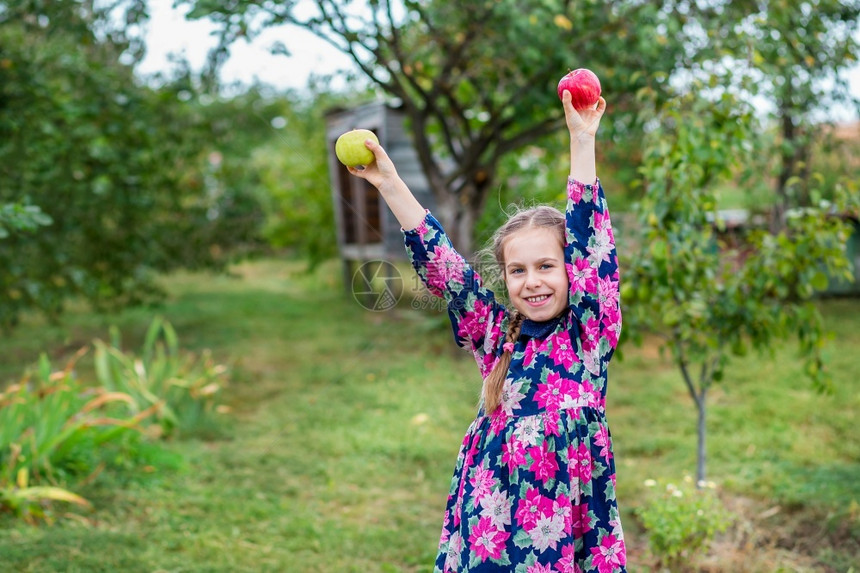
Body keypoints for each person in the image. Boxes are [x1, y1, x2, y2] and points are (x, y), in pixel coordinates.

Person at [346, 90, 625, 572]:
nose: (532, 281)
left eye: (546, 266)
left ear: (570, 271)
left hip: (564, 532)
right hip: (491, 527)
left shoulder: (587, 334)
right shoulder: (498, 335)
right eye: (518, 271)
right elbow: (446, 270)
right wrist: (388, 181)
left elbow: (591, 243)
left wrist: (582, 140)